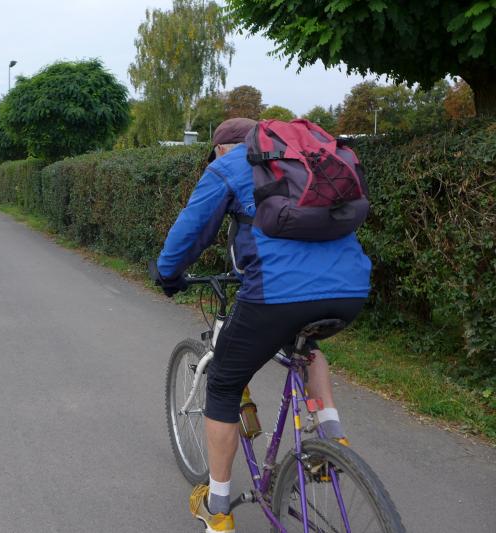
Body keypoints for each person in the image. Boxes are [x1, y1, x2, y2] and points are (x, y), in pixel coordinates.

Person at [152, 118, 371, 533]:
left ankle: (218, 508)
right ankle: (331, 439)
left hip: (276, 292)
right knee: (307, 349)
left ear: (221, 148)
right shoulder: (307, 157)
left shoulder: (229, 165)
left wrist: (167, 273)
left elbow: (191, 229)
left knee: (223, 383)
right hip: (350, 289)